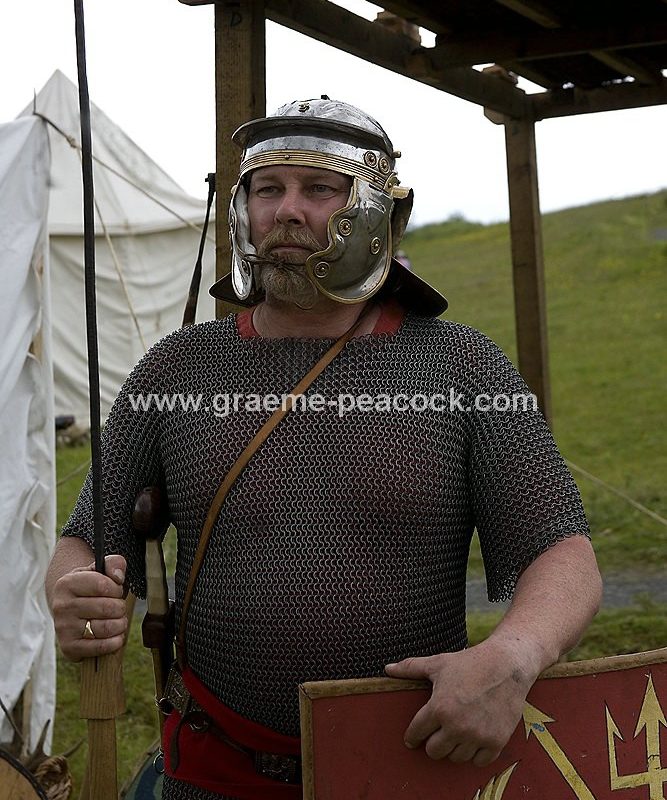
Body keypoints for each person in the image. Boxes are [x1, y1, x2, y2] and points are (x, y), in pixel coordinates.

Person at [46, 98, 602, 800]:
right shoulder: (177, 370)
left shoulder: (462, 367)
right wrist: (73, 595)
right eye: (267, 189)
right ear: (243, 208)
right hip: (218, 768)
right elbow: (84, 540)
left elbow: (564, 553)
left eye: (318, 190)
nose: (286, 210)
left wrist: (513, 657)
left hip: (406, 760)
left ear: (373, 208)